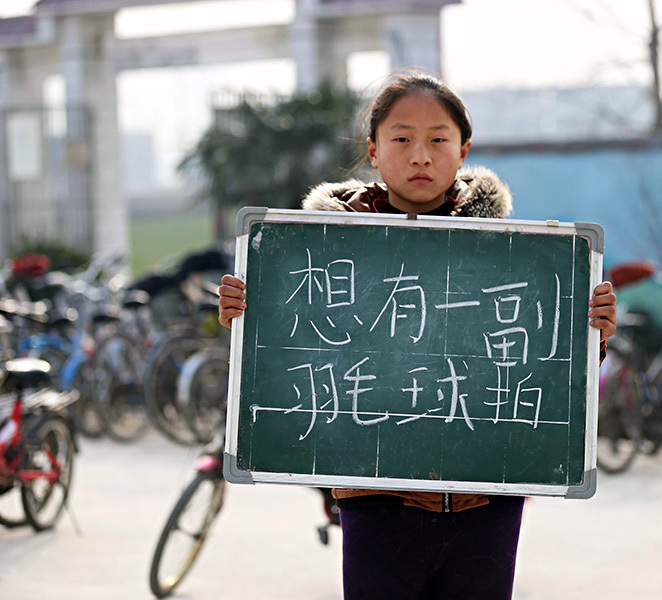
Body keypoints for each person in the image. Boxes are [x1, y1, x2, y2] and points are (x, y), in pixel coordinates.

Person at [217, 72, 617, 600]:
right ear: (374, 151)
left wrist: (593, 331)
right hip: (375, 497)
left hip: (486, 498)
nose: (420, 155)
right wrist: (247, 316)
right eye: (401, 139)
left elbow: (547, 365)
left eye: (438, 139)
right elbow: (286, 355)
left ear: (463, 149)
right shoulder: (320, 250)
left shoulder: (515, 255)